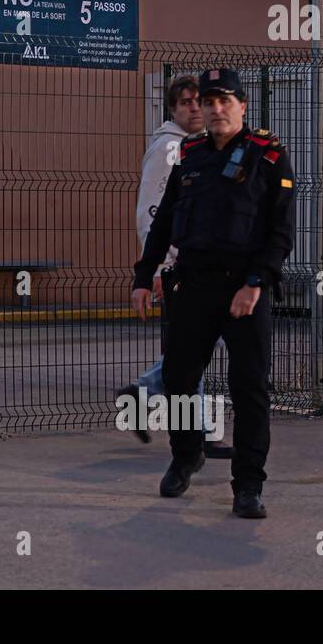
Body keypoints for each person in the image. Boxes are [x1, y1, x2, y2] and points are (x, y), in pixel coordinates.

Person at [130, 68, 295, 520]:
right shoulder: (190, 153)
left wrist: (256, 283)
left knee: (250, 390)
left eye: (225, 100)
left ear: (242, 105)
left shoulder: (269, 154)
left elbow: (281, 233)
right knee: (180, 380)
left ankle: (248, 486)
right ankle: (186, 455)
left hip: (245, 291)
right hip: (193, 286)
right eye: (209, 101)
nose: (216, 109)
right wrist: (144, 275)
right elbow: (165, 220)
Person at [119, 75, 231, 459]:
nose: (195, 107)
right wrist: (158, 269)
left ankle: (176, 416)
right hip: (178, 268)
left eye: (199, 101)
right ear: (172, 109)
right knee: (196, 342)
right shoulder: (168, 150)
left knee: (196, 344)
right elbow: (152, 214)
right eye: (186, 102)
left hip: (199, 265)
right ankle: (149, 393)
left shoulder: (196, 147)